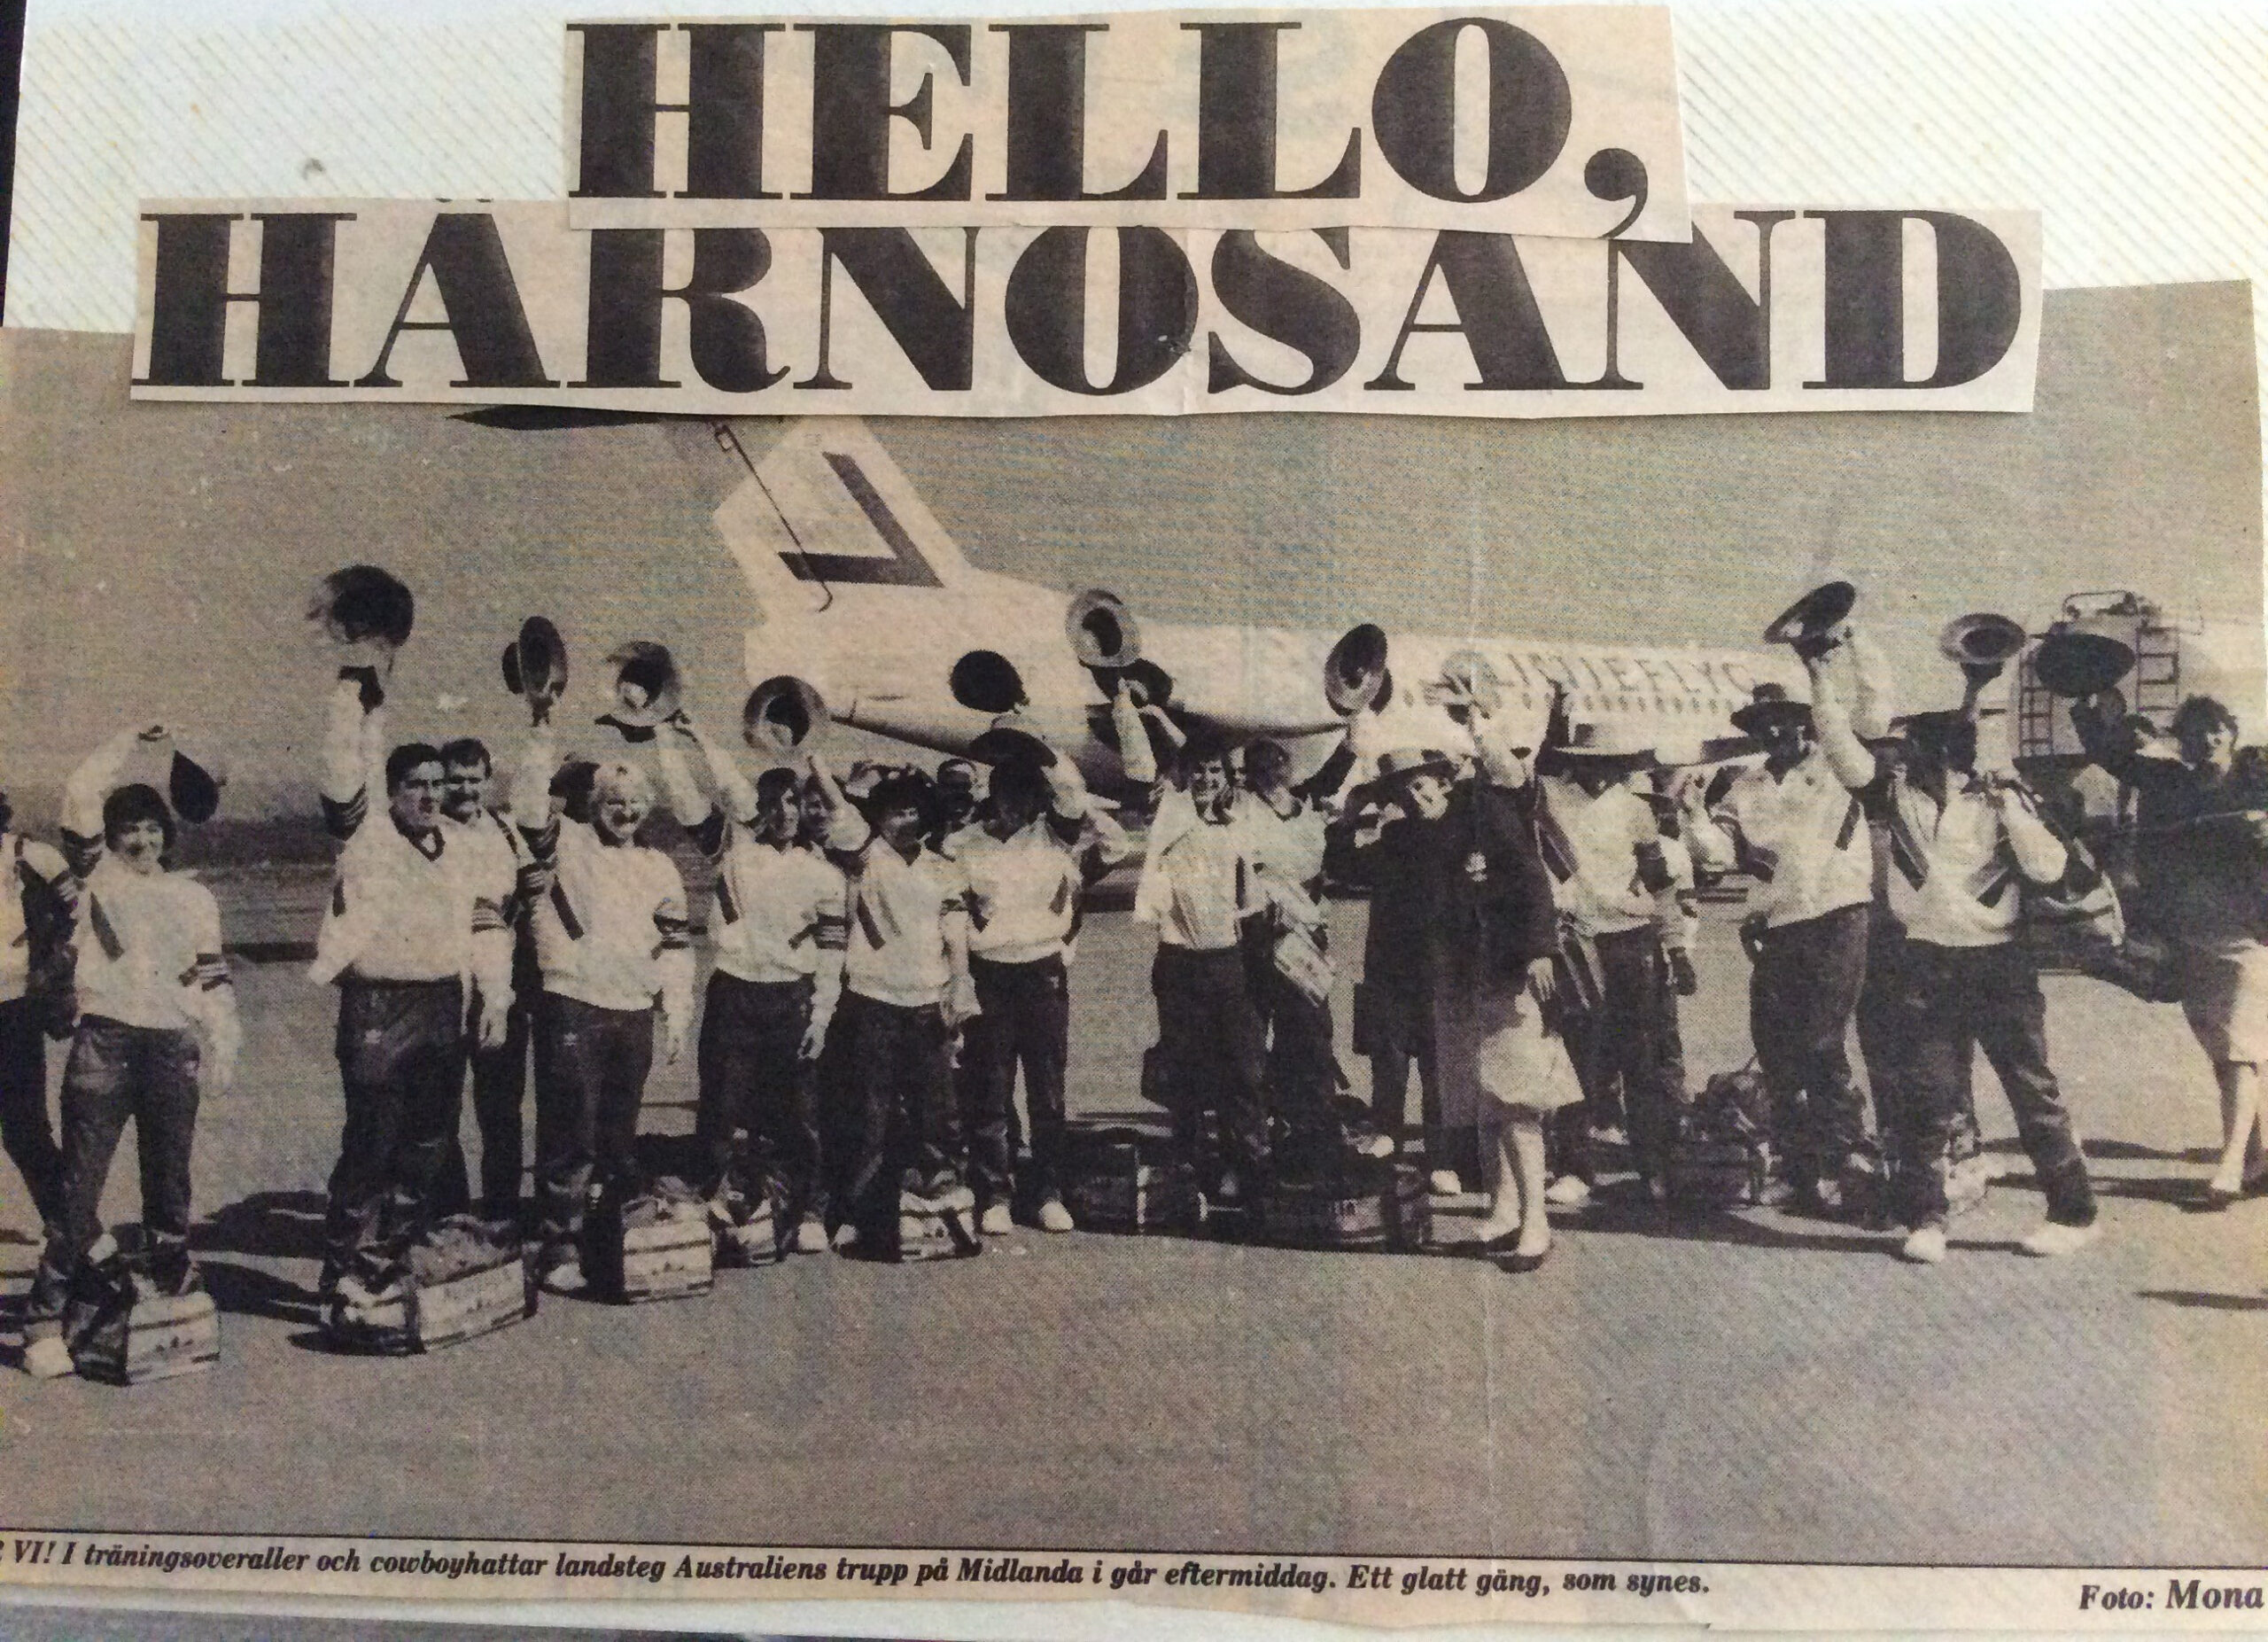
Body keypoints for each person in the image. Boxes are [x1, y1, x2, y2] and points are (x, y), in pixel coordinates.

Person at [1814, 672, 2103, 1263]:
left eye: (1940, 741)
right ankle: (1926, 1217)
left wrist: (2011, 806)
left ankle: (2074, 1211)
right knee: (1926, 1098)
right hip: (1926, 964)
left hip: (2000, 965)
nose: (1923, 753)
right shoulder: (1895, 795)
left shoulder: (2005, 794)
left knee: (2032, 1090)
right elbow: (1841, 749)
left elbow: (2048, 870)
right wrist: (1819, 672)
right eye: (1920, 742)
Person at [22, 728, 240, 1379]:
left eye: (151, 829)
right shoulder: (98, 881)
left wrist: (223, 1038)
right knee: (77, 1190)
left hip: (172, 1046)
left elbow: (212, 976)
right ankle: (42, 1322)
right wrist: (126, 738)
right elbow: (81, 792)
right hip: (104, 1044)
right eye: (128, 830)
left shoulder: (194, 896)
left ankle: (170, 1307)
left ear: (167, 835)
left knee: (170, 1187)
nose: (140, 841)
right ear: (111, 838)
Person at [1329, 738, 1570, 1265]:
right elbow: (1342, 867)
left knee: (1517, 1098)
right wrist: (1349, 816)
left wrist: (1539, 951)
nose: (1415, 797)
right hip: (1458, 984)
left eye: (1421, 784)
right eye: (1402, 791)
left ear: (1442, 778)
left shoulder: (1482, 813)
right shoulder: (1405, 838)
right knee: (1488, 1102)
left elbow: (1531, 875)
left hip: (1505, 972)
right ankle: (1506, 1211)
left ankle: (1537, 1224)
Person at [312, 681, 512, 1296]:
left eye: (437, 783)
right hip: (378, 1006)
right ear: (393, 793)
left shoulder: (462, 850)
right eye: (415, 784)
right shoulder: (368, 837)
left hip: (442, 1006)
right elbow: (346, 775)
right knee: (371, 1144)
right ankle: (342, 1266)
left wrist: (496, 998)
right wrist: (352, 699)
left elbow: (486, 925)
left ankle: (389, 1261)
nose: (429, 794)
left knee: (428, 1145)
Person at [512, 724, 695, 1294]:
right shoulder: (566, 843)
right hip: (572, 1003)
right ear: (593, 806)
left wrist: (678, 1010)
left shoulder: (659, 866)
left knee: (619, 1134)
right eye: (613, 803)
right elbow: (527, 807)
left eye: (636, 803)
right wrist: (542, 731)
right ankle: (558, 1243)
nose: (626, 812)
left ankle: (611, 1228)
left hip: (634, 1009)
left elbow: (675, 945)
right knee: (570, 1129)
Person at [2070, 691, 2268, 1202]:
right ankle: (2258, 1156)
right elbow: (2110, 755)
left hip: (2249, 932)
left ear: (2232, 729)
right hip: (2190, 934)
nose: (2206, 740)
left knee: (2237, 1049)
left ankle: (2230, 1168)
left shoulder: (2259, 776)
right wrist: (2089, 697)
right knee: (2224, 1048)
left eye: (2215, 728)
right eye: (2194, 732)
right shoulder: (2171, 783)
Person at [661, 717, 845, 1255]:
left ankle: (810, 1210)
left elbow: (832, 952)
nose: (786, 813)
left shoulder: (825, 872)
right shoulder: (734, 851)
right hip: (735, 995)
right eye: (775, 802)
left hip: (794, 998)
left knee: (803, 1115)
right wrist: (681, 737)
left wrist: (821, 1017)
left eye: (795, 803)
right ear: (759, 809)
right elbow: (697, 797)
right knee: (721, 1108)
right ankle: (716, 1207)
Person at [1711, 675, 1879, 1213]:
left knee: (1821, 1043)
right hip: (1778, 927)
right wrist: (1711, 832)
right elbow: (1717, 847)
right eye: (1764, 724)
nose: (1775, 730)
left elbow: (1869, 725)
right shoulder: (1746, 786)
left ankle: (1842, 1160)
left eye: (1784, 720)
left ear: (1806, 721)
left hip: (1837, 917)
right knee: (1776, 1046)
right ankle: (1796, 1165)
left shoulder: (1835, 767)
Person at [947, 752, 1129, 1233]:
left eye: (1025, 796)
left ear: (1037, 800)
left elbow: (1080, 801)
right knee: (990, 1088)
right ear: (993, 796)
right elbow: (956, 917)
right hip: (990, 975)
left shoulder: (1054, 836)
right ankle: (995, 1195)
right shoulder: (962, 845)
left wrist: (1042, 748)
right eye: (1005, 795)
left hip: (1043, 975)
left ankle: (1048, 1192)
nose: (1013, 806)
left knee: (1046, 1093)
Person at [820, 765, 980, 1252]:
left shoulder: (943, 867)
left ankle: (946, 1202)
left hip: (927, 1004)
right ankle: (853, 1211)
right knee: (869, 1112)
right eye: (893, 812)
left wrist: (960, 980)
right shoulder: (870, 858)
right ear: (879, 818)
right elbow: (838, 809)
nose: (904, 821)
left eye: (912, 810)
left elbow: (955, 933)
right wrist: (815, 763)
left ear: (926, 814)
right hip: (872, 1003)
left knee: (939, 1112)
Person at [1536, 722, 1680, 1202]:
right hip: (1577, 942)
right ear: (1573, 762)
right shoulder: (1551, 796)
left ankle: (1652, 1166)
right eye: (1590, 763)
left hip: (1632, 942)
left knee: (1642, 1056)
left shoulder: (1637, 809)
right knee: (1580, 1056)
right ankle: (1576, 1168)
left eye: (1610, 764)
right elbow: (1530, 763)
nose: (1600, 773)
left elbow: (1660, 881)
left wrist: (1676, 945)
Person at [1134, 730, 1271, 1202]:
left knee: (1243, 1071)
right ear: (1184, 774)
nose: (1206, 779)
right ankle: (1189, 1166)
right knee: (1185, 1071)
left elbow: (1248, 897)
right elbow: (1154, 755)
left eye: (1215, 771)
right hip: (1180, 963)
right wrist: (1142, 709)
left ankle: (1246, 1166)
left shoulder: (1236, 826)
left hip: (1227, 959)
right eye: (1198, 770)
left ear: (1227, 777)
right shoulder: (1170, 814)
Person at [1234, 736, 1367, 1164]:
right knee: (1252, 1036)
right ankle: (1257, 1134)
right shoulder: (1240, 810)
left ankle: (1310, 1124)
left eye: (1279, 764)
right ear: (1251, 775)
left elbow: (1338, 767)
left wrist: (1353, 730)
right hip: (1258, 934)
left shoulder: (1307, 804)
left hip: (1306, 935)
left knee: (1311, 1032)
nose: (1273, 771)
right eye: (1263, 766)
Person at [433, 736, 543, 1227]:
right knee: (442, 1101)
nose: (464, 789)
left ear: (488, 779)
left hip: (501, 976)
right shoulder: (428, 830)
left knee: (501, 1105)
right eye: (455, 779)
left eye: (474, 779)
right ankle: (450, 1212)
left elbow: (534, 885)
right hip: (444, 976)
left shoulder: (504, 828)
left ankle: (501, 1211)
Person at [0, 780, 71, 1244]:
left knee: (25, 1129)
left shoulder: (31, 855)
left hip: (15, 1008)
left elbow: (83, 913)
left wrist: (53, 965)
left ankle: (73, 1230)